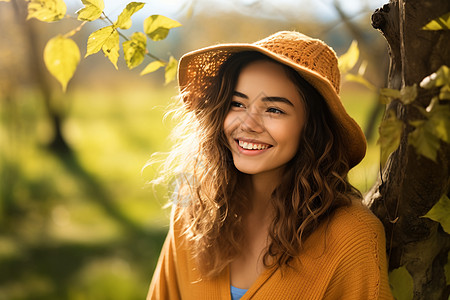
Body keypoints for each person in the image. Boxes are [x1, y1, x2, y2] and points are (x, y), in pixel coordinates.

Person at [147, 31, 393, 299]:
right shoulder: (193, 211)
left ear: (312, 127)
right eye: (237, 103)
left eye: (274, 109)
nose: (248, 124)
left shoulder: (352, 237)